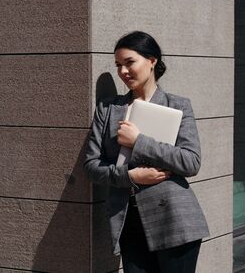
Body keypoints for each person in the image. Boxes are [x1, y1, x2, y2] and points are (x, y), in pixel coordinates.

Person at [84, 31, 209, 273]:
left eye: (129, 62)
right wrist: (131, 177)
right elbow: (91, 166)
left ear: (152, 61)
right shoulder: (108, 109)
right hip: (128, 220)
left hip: (175, 220)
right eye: (118, 65)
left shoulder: (177, 105)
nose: (123, 71)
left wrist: (139, 141)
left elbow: (191, 162)